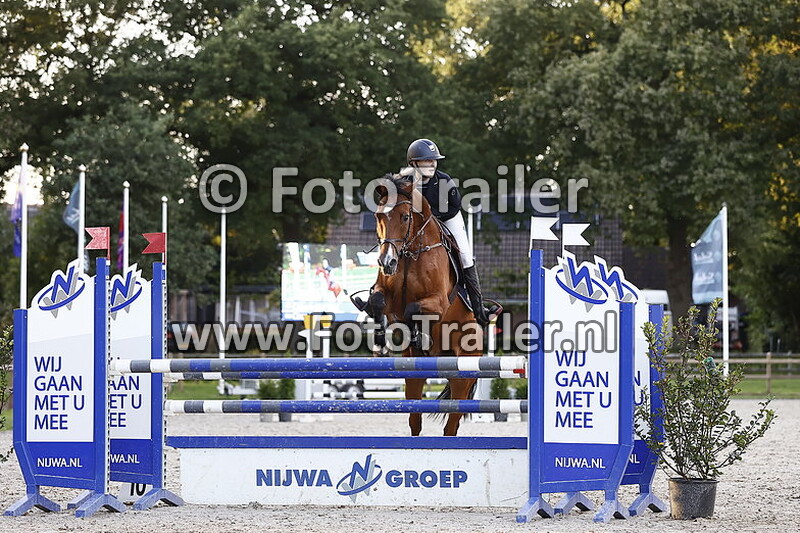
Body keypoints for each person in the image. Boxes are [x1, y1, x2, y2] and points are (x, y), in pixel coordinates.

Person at [404, 138, 498, 327]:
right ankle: (378, 295)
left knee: (465, 256)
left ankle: (479, 309)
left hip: (448, 219)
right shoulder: (406, 181)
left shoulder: (444, 180)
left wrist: (432, 217)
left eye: (433, 160)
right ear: (414, 163)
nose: (432, 163)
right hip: (416, 227)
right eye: (427, 160)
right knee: (392, 249)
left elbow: (455, 206)